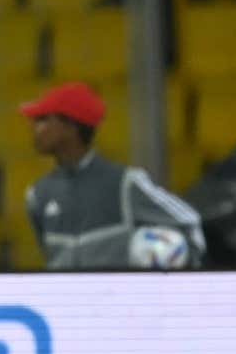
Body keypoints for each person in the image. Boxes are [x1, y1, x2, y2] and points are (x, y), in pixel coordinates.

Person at [21, 81, 206, 269]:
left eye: (43, 119)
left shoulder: (124, 183)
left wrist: (186, 272)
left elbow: (189, 222)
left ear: (71, 126)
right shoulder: (38, 194)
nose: (34, 128)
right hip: (67, 298)